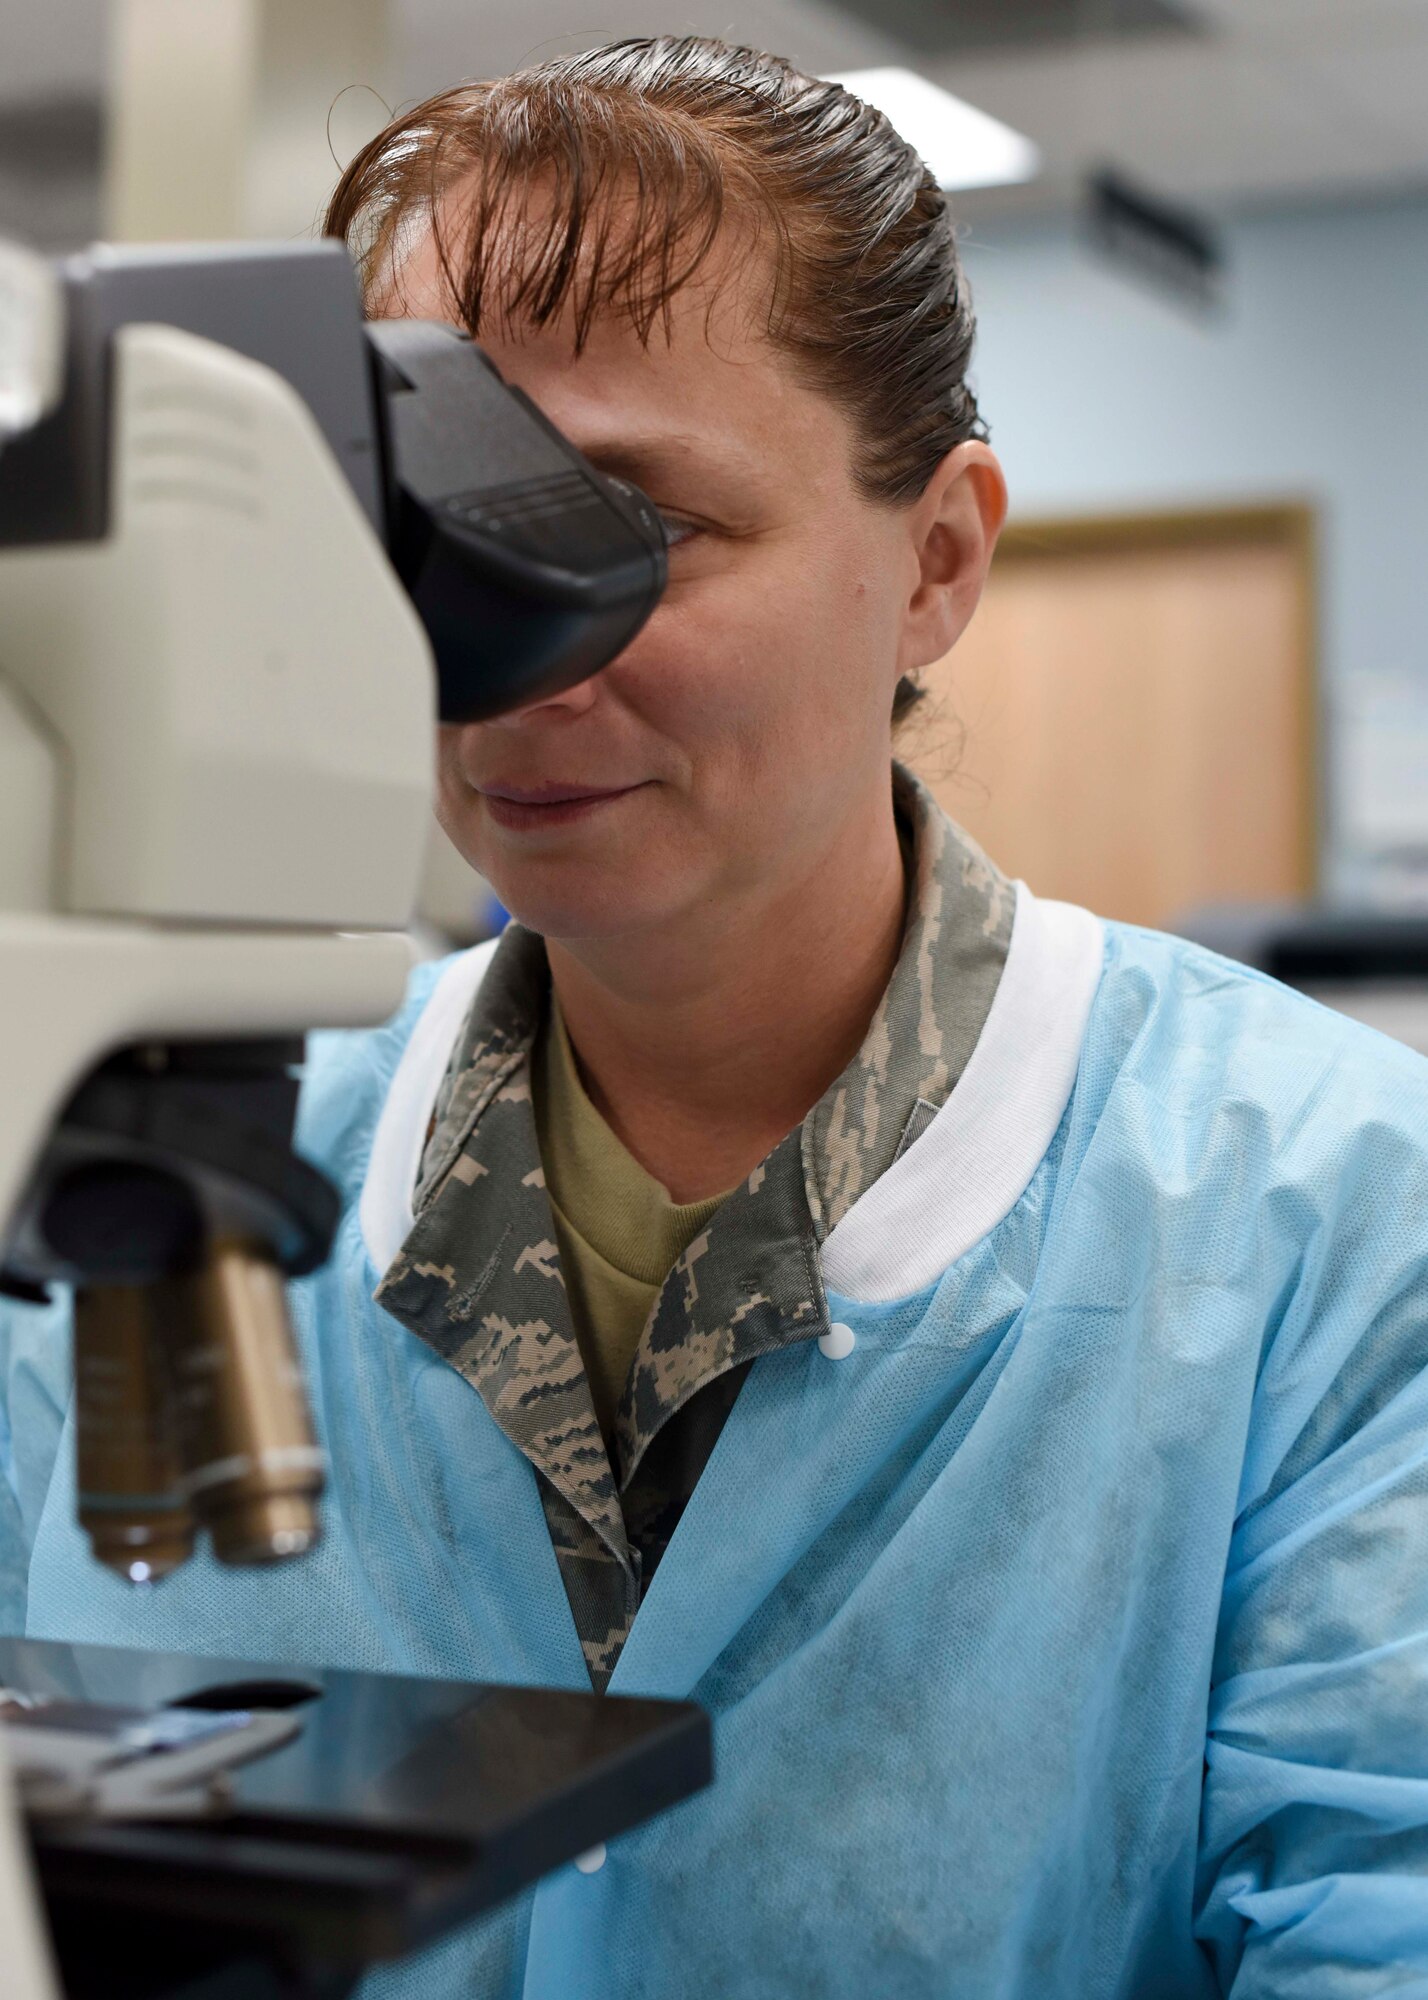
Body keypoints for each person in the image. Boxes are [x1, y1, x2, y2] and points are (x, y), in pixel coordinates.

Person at [4, 34, 1428, 1999]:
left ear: (935, 562)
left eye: (626, 529)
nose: (509, 658)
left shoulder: (1337, 1220)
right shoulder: (145, 1170)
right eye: (428, 525)